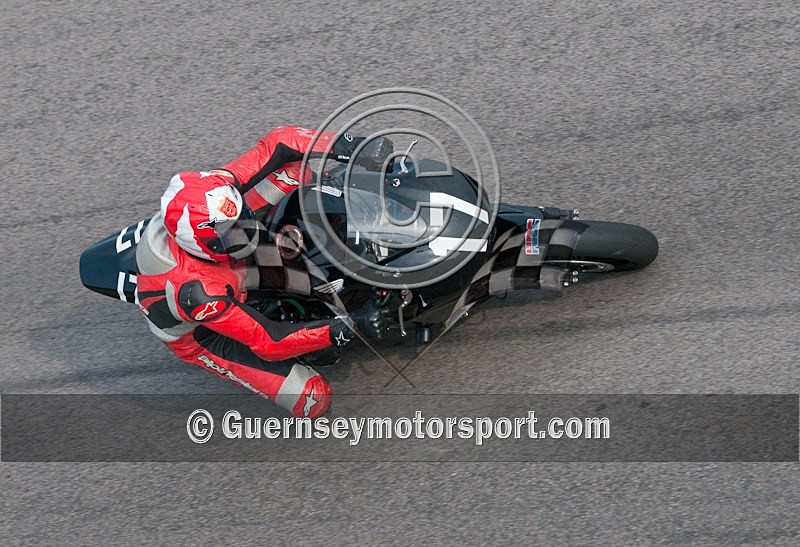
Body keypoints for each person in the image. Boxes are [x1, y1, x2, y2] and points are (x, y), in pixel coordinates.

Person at [134, 126, 393, 419]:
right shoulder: (197, 293)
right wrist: (348, 327)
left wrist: (349, 146)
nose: (243, 232)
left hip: (220, 264)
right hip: (204, 333)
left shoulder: (215, 189)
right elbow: (269, 340)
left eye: (239, 219)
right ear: (198, 244)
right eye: (229, 233)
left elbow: (278, 143)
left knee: (296, 174)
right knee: (312, 398)